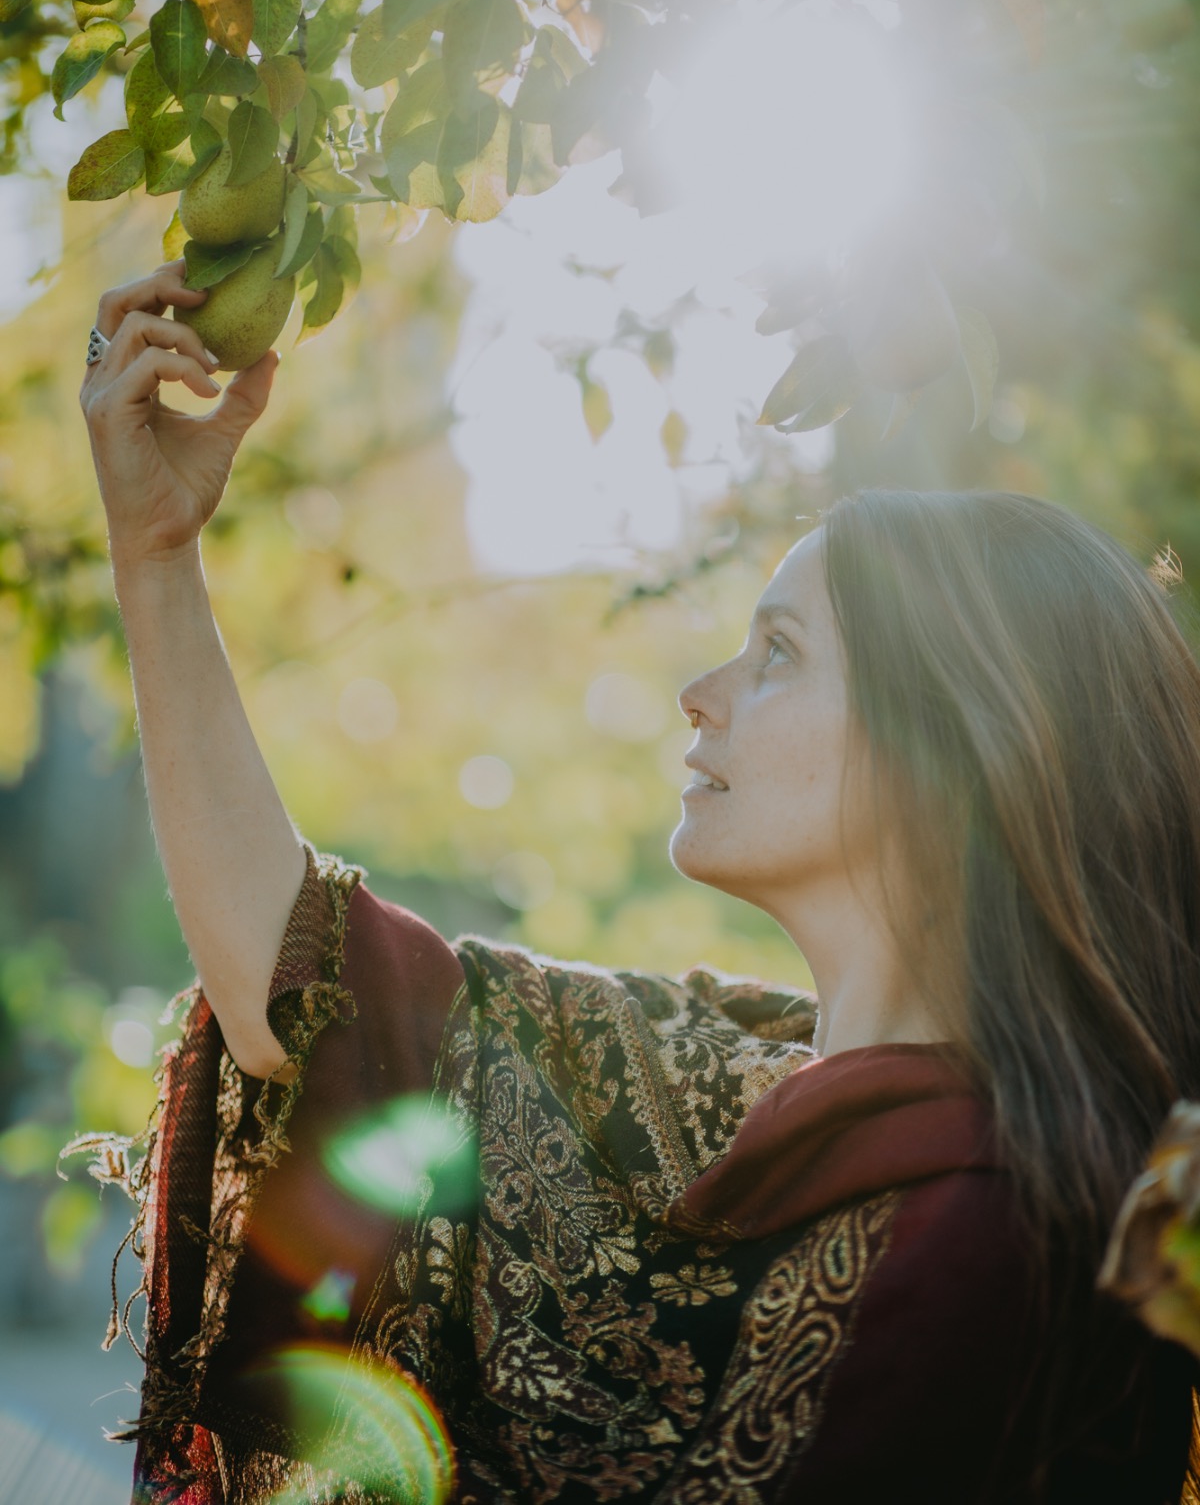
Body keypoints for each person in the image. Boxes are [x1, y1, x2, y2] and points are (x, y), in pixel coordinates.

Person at [72, 263, 1200, 1505]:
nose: (701, 690)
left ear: (952, 757)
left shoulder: (1000, 1245)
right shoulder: (725, 1082)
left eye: (778, 653)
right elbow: (317, 989)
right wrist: (156, 551)